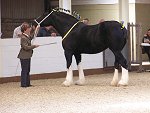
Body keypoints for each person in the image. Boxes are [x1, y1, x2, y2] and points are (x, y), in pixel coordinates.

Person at [17, 22, 39, 87]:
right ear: (25, 29)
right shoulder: (23, 38)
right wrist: (34, 46)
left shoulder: (26, 36)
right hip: (24, 56)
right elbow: (26, 47)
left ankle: (27, 83)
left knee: (27, 70)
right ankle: (23, 84)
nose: (29, 29)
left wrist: (36, 30)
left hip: (27, 56)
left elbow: (32, 36)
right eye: (28, 28)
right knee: (24, 70)